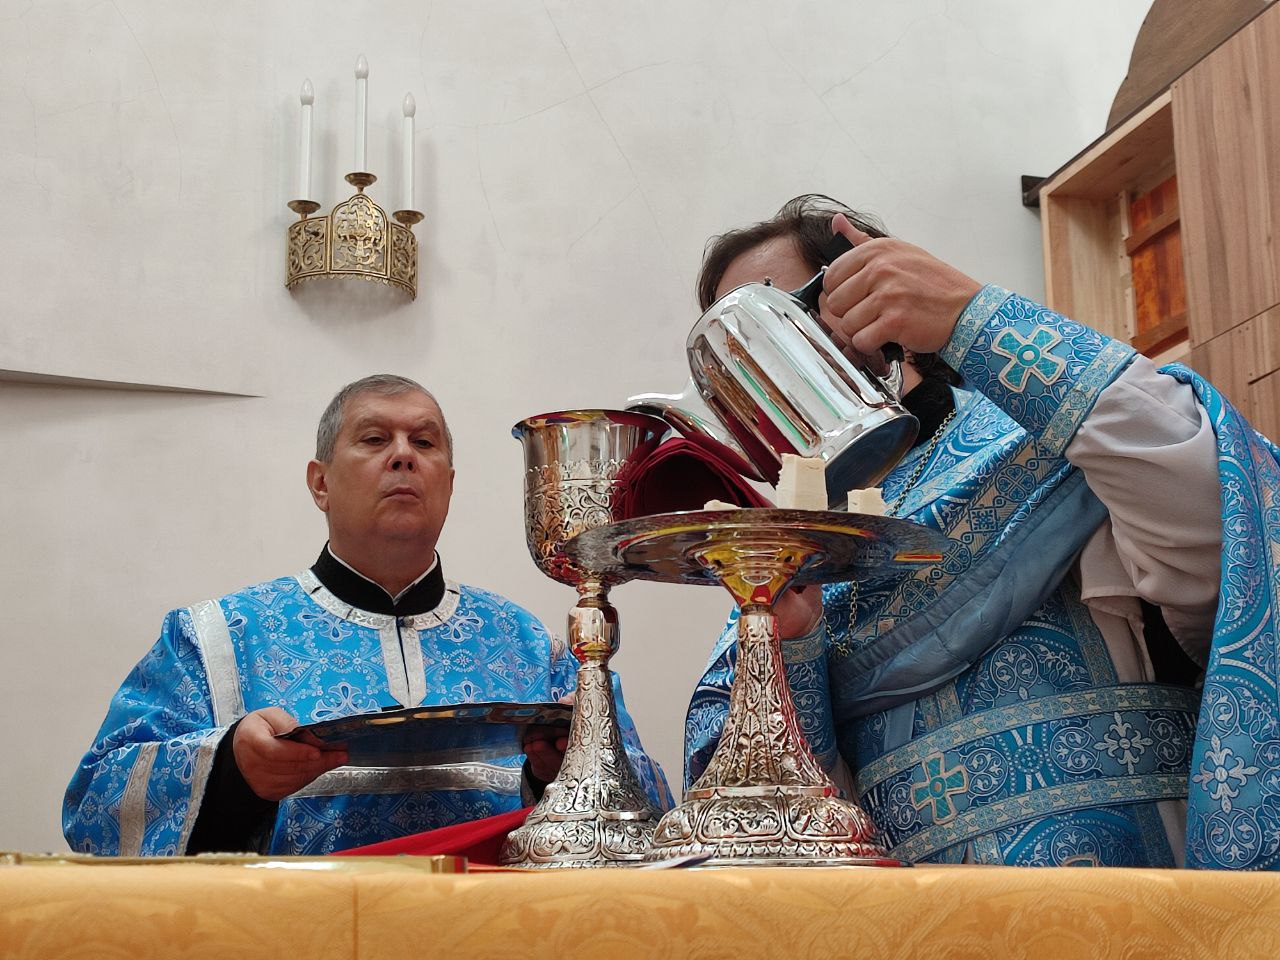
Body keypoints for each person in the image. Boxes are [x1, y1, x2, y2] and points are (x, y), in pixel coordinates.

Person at [685, 195, 1280, 869]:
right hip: (926, 928)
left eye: (774, 321)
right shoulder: (798, 558)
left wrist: (974, 318)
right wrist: (790, 643)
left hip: (1136, 908)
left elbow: (1215, 516)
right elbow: (771, 823)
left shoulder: (1049, 444)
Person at [64, 374, 670, 856]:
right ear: (320, 483)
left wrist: (558, 774)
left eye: (424, 442)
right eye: (375, 439)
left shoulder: (534, 646)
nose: (403, 456)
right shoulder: (217, 638)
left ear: (449, 484)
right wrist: (231, 771)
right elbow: (94, 808)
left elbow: (656, 815)